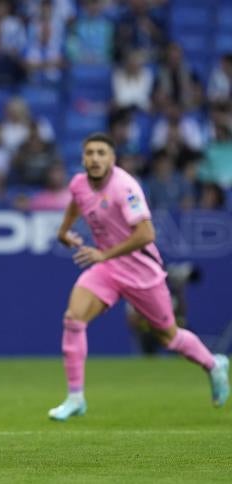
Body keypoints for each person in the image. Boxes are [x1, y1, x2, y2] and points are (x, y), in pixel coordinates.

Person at [48, 133, 229, 422]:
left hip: (140, 270)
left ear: (112, 159)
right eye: (90, 153)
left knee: (169, 337)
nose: (95, 158)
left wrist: (104, 255)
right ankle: (75, 397)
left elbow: (147, 233)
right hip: (107, 269)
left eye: (101, 153)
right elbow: (76, 202)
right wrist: (63, 230)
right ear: (83, 158)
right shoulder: (79, 183)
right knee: (73, 318)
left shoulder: (125, 187)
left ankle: (213, 364)